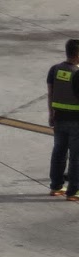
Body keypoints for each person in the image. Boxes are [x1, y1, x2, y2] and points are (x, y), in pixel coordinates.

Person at [48, 38, 79, 198]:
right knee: (76, 157)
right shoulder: (77, 73)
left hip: (59, 118)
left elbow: (50, 93)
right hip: (76, 121)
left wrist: (51, 114)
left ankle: (56, 186)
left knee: (59, 153)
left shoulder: (55, 69)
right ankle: (74, 191)